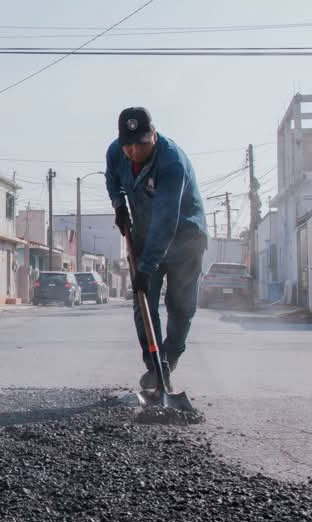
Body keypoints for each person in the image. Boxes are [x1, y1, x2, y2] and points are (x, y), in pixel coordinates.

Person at [105, 107, 208, 391]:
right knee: (143, 302)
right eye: (129, 145)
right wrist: (118, 205)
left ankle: (171, 355)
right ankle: (156, 366)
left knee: (181, 306)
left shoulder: (171, 162)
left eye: (141, 144)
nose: (134, 152)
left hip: (185, 236)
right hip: (143, 232)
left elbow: (166, 220)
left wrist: (147, 266)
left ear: (154, 134)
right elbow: (111, 177)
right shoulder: (116, 152)